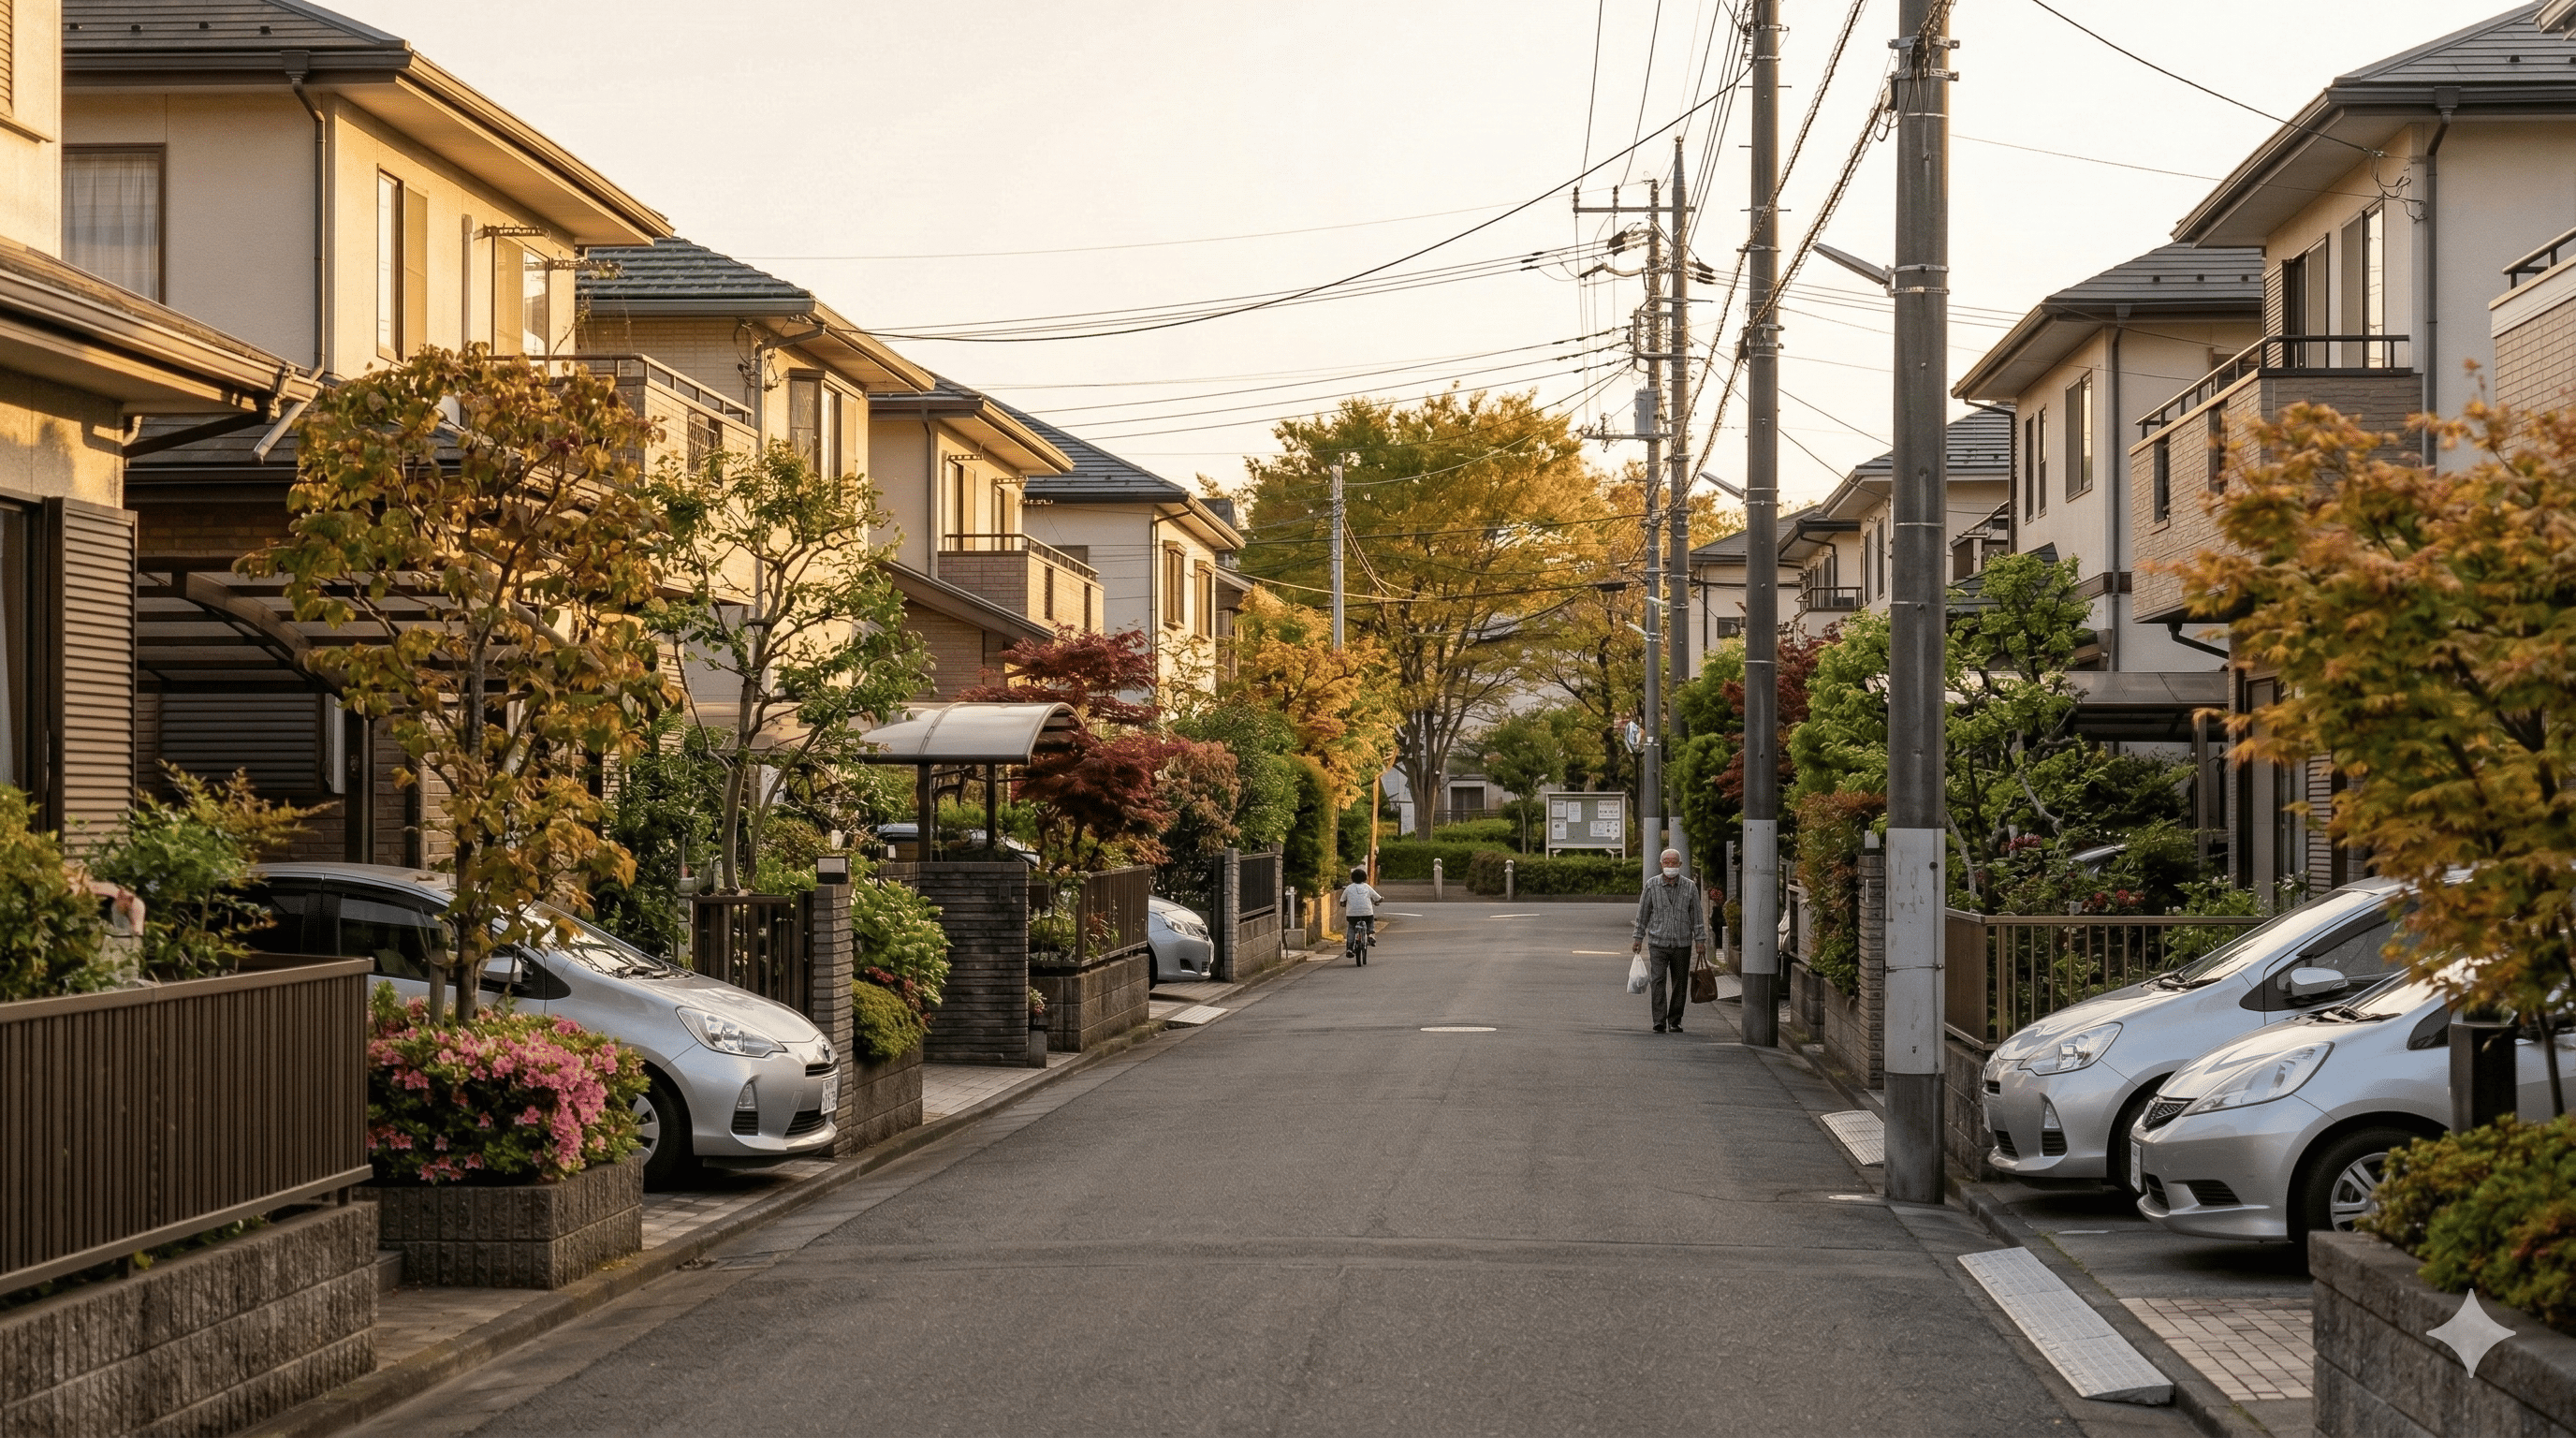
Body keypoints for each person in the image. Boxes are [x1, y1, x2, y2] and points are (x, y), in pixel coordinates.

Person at [1632, 848, 1711, 1033]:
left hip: (1682, 943)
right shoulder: (1651, 885)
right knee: (1658, 980)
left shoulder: (1690, 887)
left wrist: (1700, 941)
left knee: (1680, 982)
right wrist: (1638, 937)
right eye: (1666, 862)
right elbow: (1642, 913)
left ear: (1680, 865)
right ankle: (1659, 1020)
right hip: (1658, 943)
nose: (1670, 866)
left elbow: (1697, 916)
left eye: (1674, 863)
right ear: (1661, 865)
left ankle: (1675, 1020)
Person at [1340, 866, 1383, 964]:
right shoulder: (1367, 887)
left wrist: (1344, 904)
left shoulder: (1348, 888)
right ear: (1365, 878)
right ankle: (1371, 934)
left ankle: (1350, 948)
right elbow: (1377, 898)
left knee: (1351, 927)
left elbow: (1342, 902)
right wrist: (1379, 900)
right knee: (1370, 920)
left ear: (1352, 878)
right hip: (1366, 913)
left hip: (1352, 915)